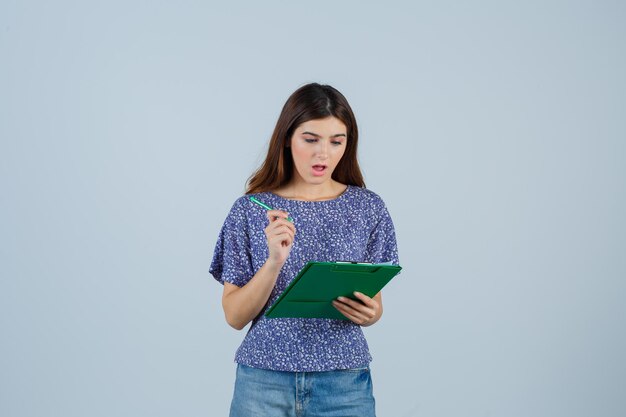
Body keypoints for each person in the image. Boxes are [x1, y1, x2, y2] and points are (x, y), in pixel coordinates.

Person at [209, 82, 399, 417]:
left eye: (336, 141)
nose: (322, 153)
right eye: (310, 139)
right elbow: (234, 316)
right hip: (263, 381)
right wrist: (274, 262)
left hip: (343, 381)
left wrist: (372, 313)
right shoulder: (251, 209)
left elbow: (375, 304)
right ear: (287, 138)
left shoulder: (368, 207)